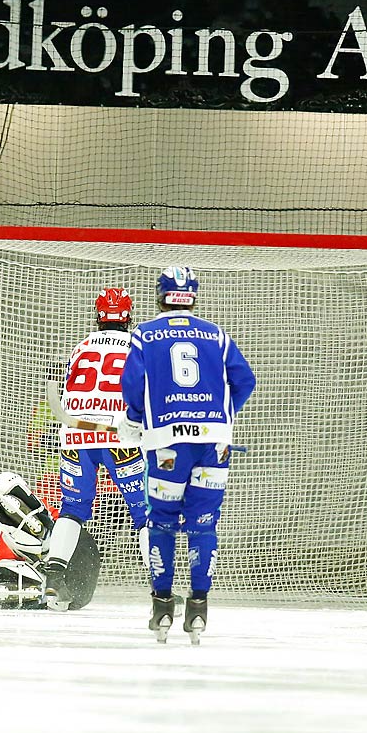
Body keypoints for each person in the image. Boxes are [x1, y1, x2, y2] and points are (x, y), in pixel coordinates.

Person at [117, 266, 257, 644]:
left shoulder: (145, 335)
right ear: (193, 295)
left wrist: (134, 420)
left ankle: (162, 606)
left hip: (167, 442)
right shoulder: (217, 335)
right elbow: (245, 380)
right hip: (215, 443)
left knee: (162, 521)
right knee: (204, 522)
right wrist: (222, 418)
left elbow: (132, 384)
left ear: (159, 295)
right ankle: (198, 609)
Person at [43, 286, 149, 609]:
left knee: (73, 509)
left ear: (98, 316)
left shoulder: (81, 347)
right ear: (128, 317)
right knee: (145, 513)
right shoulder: (138, 345)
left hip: (76, 433)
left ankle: (53, 581)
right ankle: (162, 586)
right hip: (118, 435)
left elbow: (68, 388)